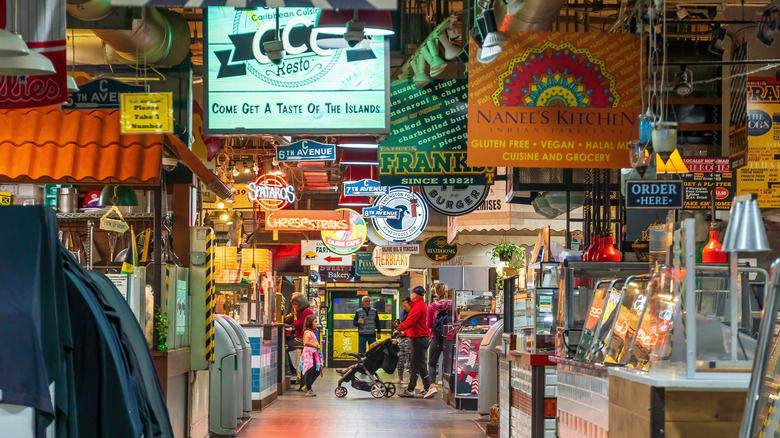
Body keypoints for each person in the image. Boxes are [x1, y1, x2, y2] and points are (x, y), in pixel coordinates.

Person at [394, 286, 437, 399]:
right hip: (419, 338)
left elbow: (411, 320)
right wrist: (404, 333)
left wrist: (400, 328)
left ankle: (428, 387)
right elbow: (416, 324)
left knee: (420, 364)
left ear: (415, 295)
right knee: (414, 364)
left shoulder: (418, 306)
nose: (411, 295)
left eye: (412, 293)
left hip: (420, 339)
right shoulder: (420, 305)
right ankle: (410, 389)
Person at [427, 284, 457, 387]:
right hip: (449, 337)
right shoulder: (452, 305)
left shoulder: (431, 306)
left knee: (432, 362)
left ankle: (432, 385)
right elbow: (455, 321)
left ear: (435, 293)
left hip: (436, 337)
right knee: (448, 362)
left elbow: (429, 325)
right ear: (446, 292)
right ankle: (446, 385)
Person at [285, 293, 314, 386]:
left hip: (303, 339)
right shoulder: (305, 311)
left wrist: (295, 315)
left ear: (299, 303)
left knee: (284, 346)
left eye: (294, 304)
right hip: (302, 337)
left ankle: (290, 370)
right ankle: (293, 372)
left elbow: (297, 326)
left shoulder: (306, 312)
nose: (293, 306)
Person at [299, 315, 323, 397]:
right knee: (311, 370)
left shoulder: (311, 333)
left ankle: (307, 387)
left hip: (313, 353)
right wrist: (315, 345)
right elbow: (306, 342)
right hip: (309, 354)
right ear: (310, 323)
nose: (316, 324)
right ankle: (308, 388)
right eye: (315, 322)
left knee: (316, 370)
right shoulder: (308, 333)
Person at [393, 297, 412, 384]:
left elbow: (411, 326)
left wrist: (405, 332)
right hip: (401, 338)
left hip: (409, 338)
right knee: (400, 358)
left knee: (409, 358)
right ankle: (400, 378)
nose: (404, 306)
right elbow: (402, 324)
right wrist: (399, 328)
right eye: (403, 305)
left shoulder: (413, 313)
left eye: (405, 304)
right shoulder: (404, 312)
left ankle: (410, 378)